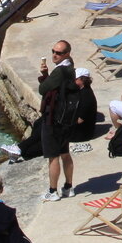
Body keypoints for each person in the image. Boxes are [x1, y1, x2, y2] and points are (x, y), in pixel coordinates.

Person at [38, 41, 76, 200]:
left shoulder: (59, 72)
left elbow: (42, 89)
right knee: (65, 153)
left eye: (58, 53)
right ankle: (68, 186)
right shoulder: (71, 67)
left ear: (67, 54)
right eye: (53, 51)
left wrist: (45, 76)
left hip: (53, 118)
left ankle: (53, 191)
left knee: (53, 156)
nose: (54, 55)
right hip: (65, 117)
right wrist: (48, 77)